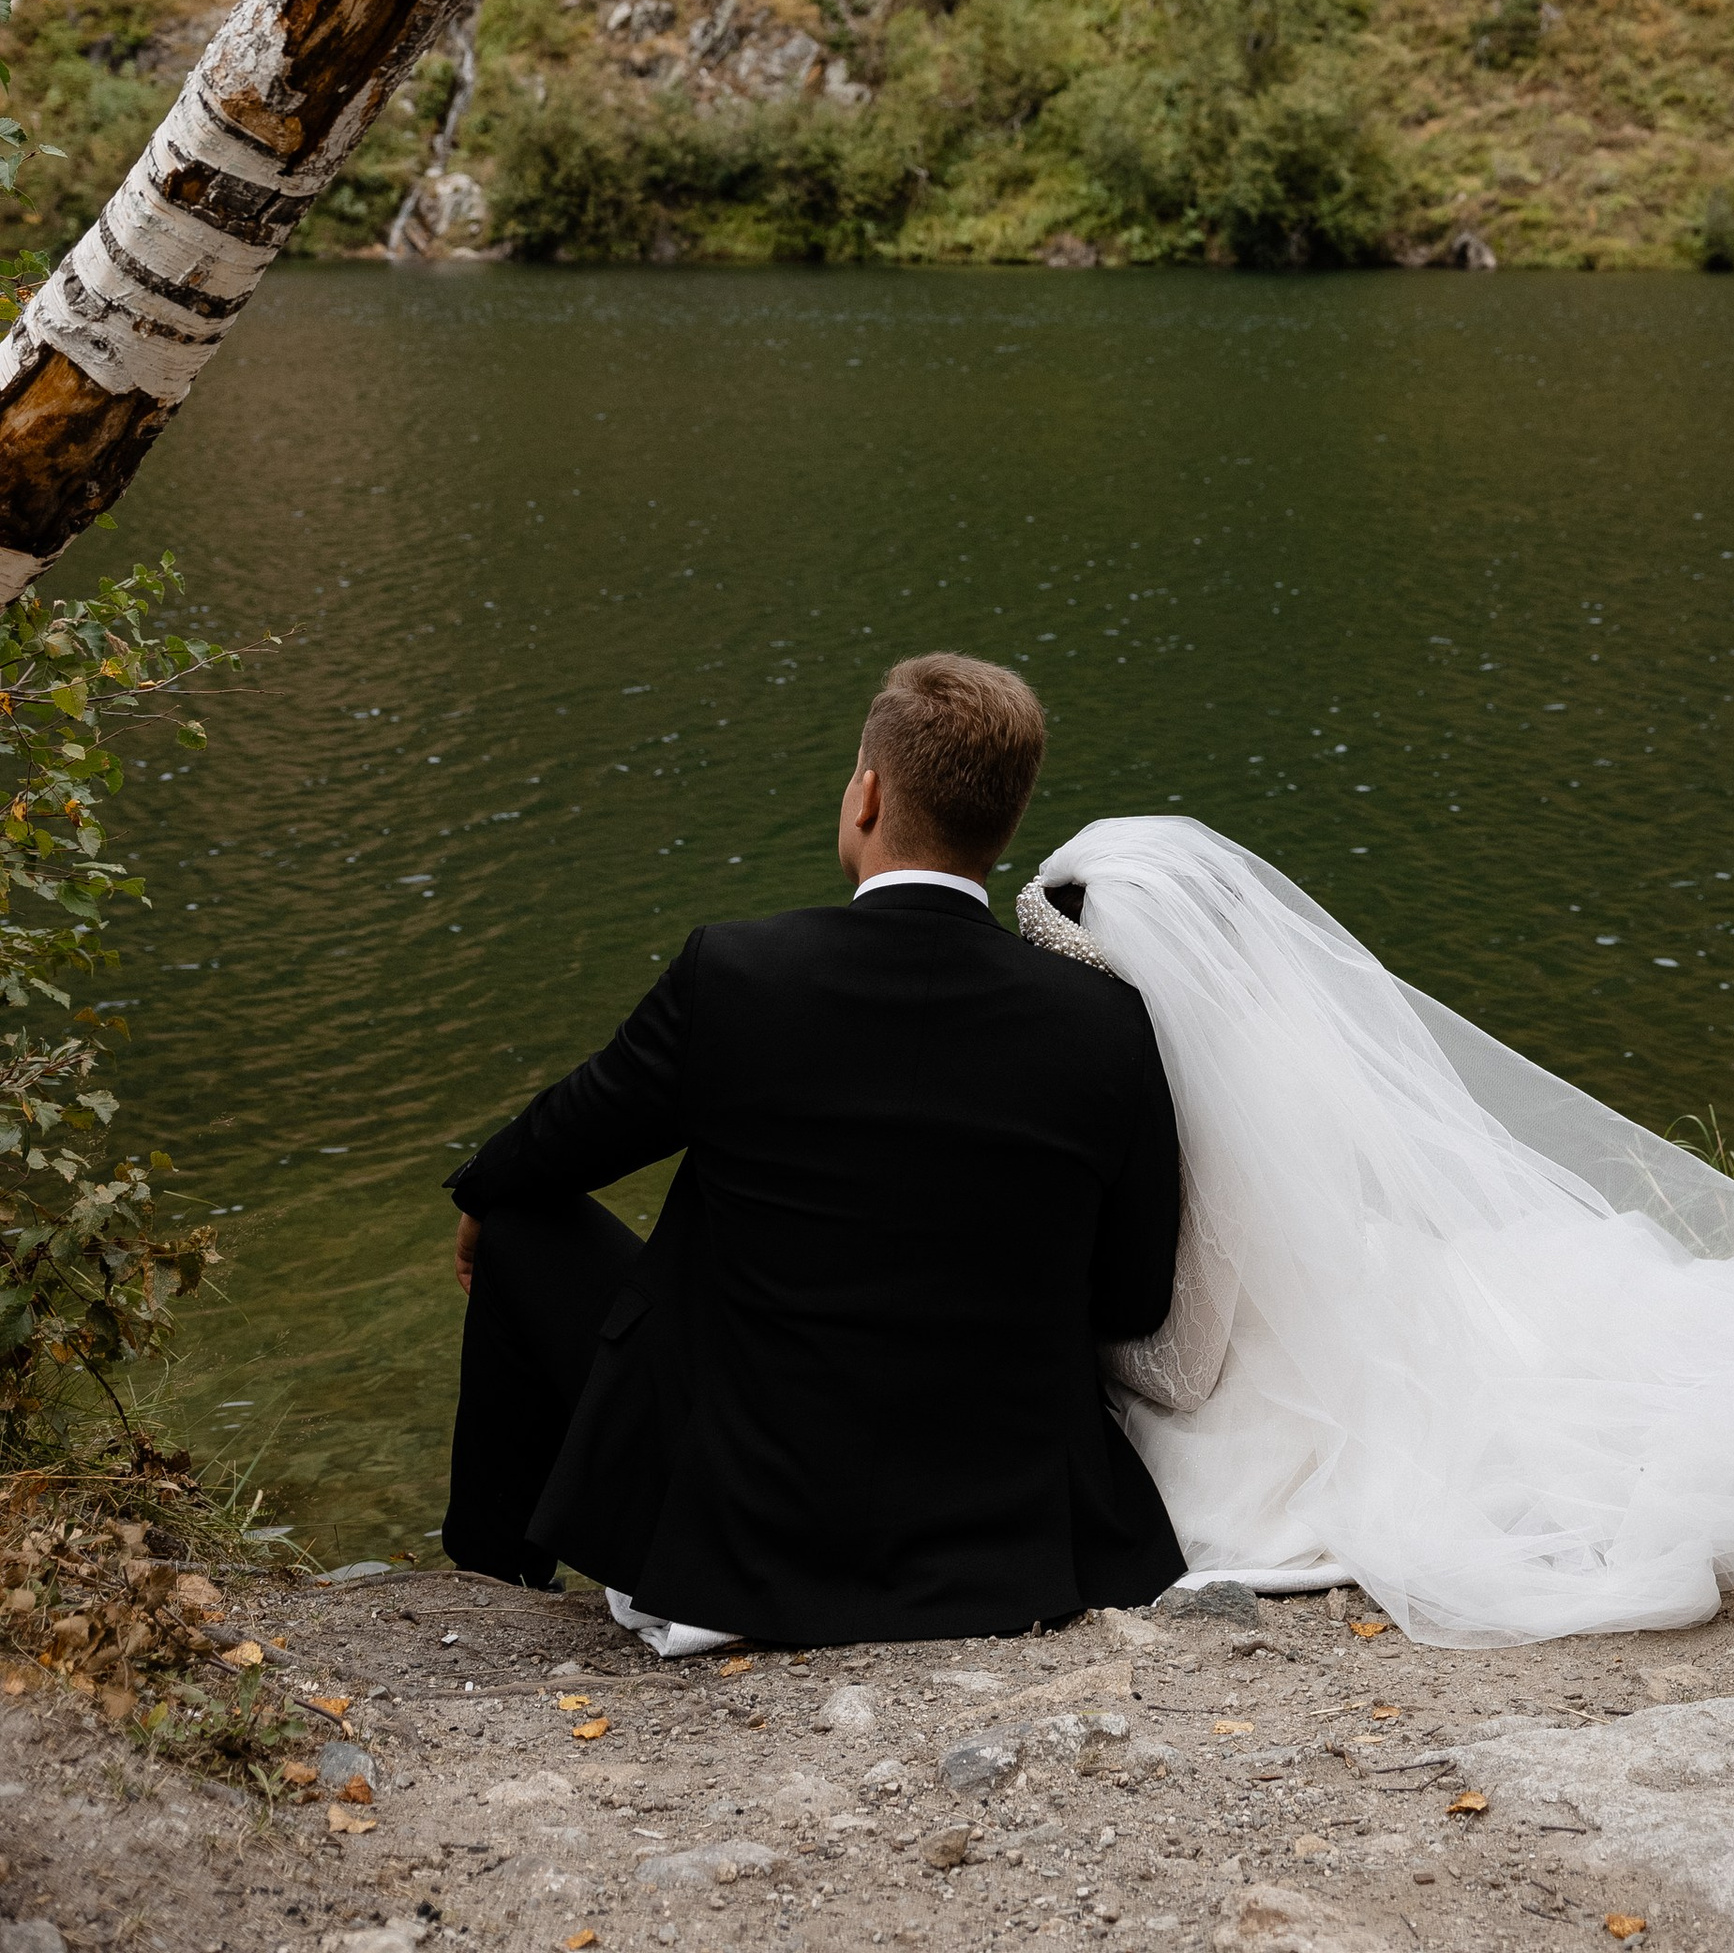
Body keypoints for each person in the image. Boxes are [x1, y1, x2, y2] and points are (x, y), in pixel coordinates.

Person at [1017, 814, 1734, 1648]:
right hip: (1374, 1296)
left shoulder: (1186, 1095)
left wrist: (1081, 1351)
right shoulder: (1267, 1051)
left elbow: (1188, 1359)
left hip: (1274, 1396)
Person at [439, 652, 1185, 1649]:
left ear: (866, 794)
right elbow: (1134, 1302)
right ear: (1005, 828)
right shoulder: (1104, 1025)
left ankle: (493, 1579)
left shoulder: (739, 976)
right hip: (1007, 1543)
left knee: (522, 1216)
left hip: (746, 1539)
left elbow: (565, 1139)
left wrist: (481, 1192)